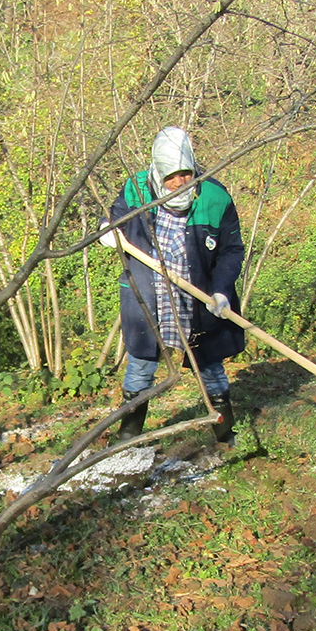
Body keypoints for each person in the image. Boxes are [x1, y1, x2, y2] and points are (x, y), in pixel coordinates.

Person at [102, 127, 246, 444]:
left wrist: (221, 290)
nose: (180, 182)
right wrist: (108, 230)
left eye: (185, 173)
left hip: (199, 301)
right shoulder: (136, 189)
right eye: (171, 176)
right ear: (157, 173)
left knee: (210, 369)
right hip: (149, 299)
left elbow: (232, 250)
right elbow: (116, 217)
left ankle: (227, 436)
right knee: (140, 367)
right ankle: (127, 439)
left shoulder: (214, 197)